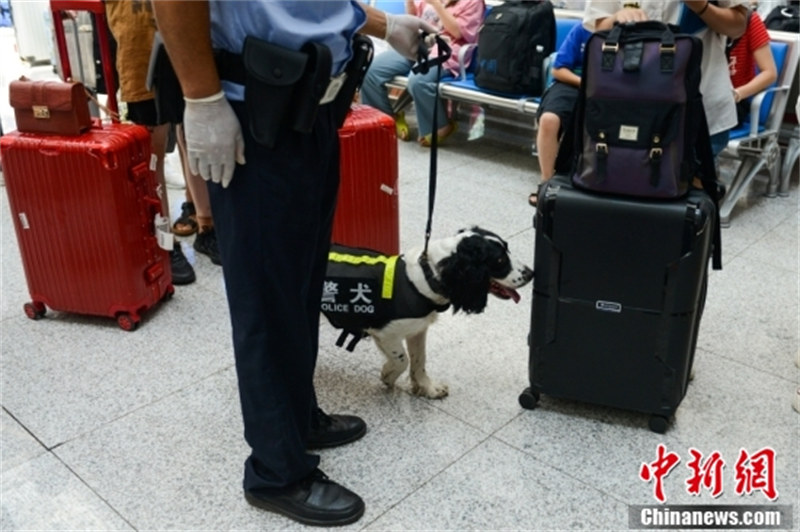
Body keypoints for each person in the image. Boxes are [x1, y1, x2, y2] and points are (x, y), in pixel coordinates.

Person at [152, 1, 434, 526]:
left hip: (312, 106)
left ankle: (297, 417)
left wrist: (385, 24)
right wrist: (202, 96)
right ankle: (276, 471)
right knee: (265, 295)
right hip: (251, 111)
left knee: (302, 282)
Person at [583, 0, 749, 157]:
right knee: (622, 181)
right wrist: (616, 18)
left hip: (701, 109)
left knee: (693, 183)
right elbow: (599, 27)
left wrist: (701, 7)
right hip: (627, 106)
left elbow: (738, 26)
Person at [104, 0, 196, 285]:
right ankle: (164, 241)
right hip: (141, 45)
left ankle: (203, 219)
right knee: (152, 157)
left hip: (193, 40)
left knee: (195, 133)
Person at [360, 0, 485, 147]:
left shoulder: (473, 2)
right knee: (370, 71)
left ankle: (440, 126)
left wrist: (437, 4)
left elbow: (458, 32)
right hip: (416, 47)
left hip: (446, 52)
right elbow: (413, 24)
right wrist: (410, 4)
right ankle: (387, 120)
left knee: (418, 79)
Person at [529, 22, 592, 207]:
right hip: (574, 83)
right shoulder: (583, 29)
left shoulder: (631, 35)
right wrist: (586, 83)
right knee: (549, 120)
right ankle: (547, 184)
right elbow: (558, 69)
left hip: (611, 91)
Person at [727, 8, 778, 128]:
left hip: (734, 102)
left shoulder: (750, 20)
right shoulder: (699, 18)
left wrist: (736, 94)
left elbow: (770, 73)